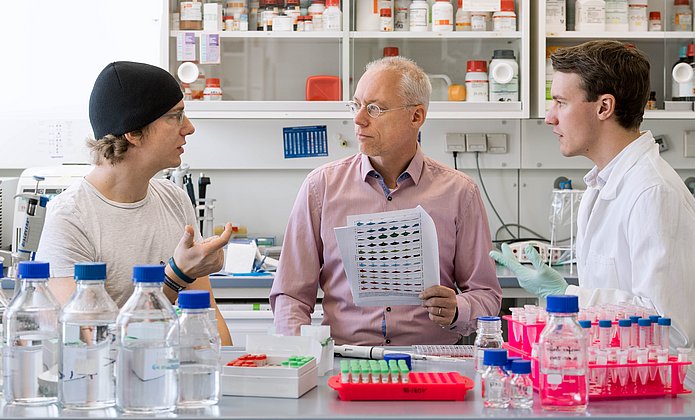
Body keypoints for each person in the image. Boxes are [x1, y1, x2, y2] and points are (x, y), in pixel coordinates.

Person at [490, 40, 695, 382]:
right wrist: (568, 300)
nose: (549, 117)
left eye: (560, 102)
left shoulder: (652, 192)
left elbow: (670, 329)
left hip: (662, 391)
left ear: (604, 107)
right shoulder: (601, 185)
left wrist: (567, 299)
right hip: (621, 381)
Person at [270, 56, 501, 345]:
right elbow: (290, 295)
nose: (358, 119)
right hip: (345, 360)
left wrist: (459, 309)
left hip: (429, 363)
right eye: (356, 105)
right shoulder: (321, 187)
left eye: (375, 108)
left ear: (416, 116)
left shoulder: (459, 192)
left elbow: (488, 296)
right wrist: (298, 356)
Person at [35, 61, 234, 345]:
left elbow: (207, 318)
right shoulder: (70, 217)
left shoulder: (174, 199)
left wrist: (230, 372)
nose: (189, 128)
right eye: (176, 117)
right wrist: (175, 277)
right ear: (134, 131)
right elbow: (91, 345)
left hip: (172, 381)